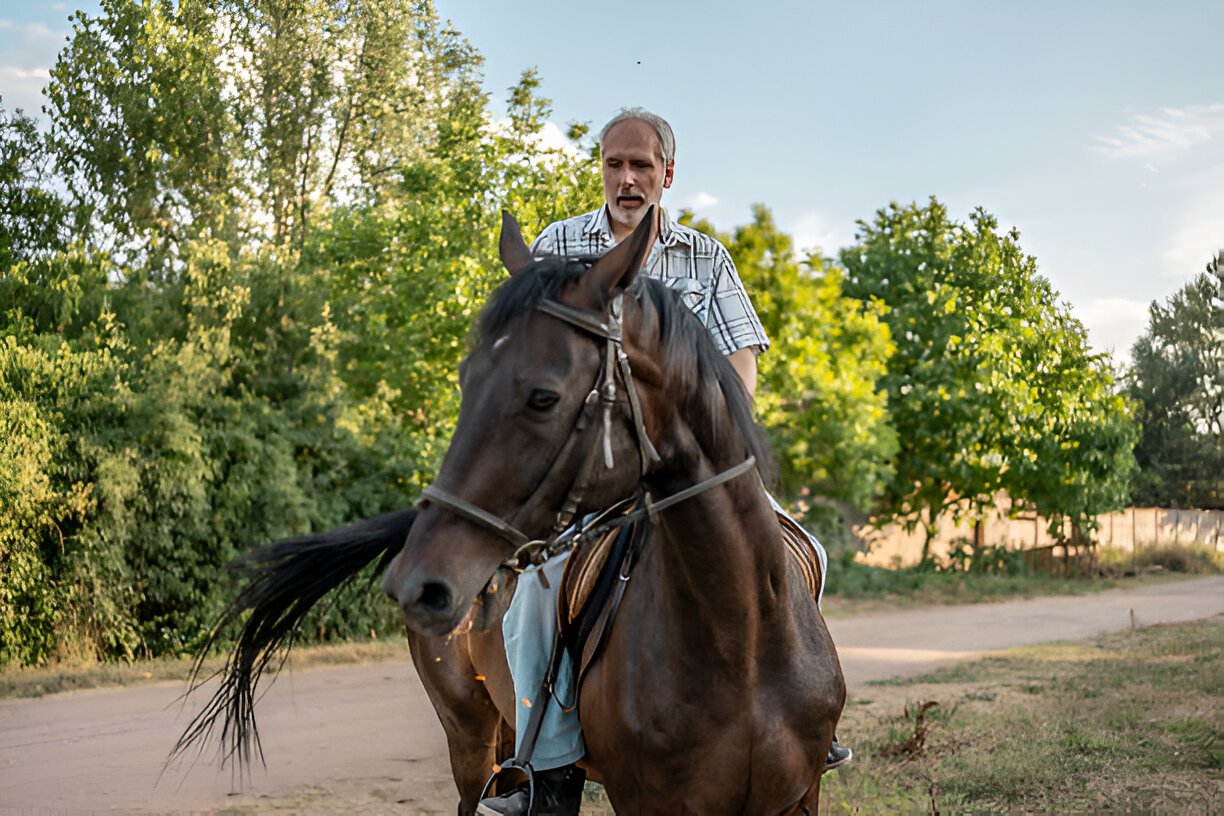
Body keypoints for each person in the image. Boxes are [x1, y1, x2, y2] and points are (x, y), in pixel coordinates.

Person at [477, 108, 849, 816]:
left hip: (697, 468)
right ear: (602, 169)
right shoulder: (560, 247)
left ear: (667, 174)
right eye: (615, 164)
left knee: (809, 555)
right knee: (535, 596)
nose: (627, 178)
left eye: (641, 165)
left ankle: (805, 720)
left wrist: (723, 433)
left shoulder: (705, 257)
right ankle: (544, 770)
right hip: (597, 472)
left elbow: (741, 351)